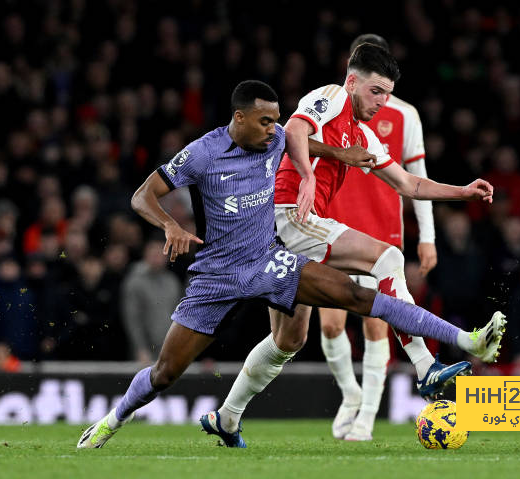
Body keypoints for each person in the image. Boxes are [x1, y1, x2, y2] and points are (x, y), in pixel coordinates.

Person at [77, 80, 505, 450]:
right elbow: (141, 196)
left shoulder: (275, 136)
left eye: (276, 120)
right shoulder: (202, 153)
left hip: (268, 260)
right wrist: (170, 225)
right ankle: (112, 420)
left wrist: (341, 155)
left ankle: (463, 341)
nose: (273, 129)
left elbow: (303, 141)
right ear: (239, 118)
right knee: (165, 373)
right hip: (217, 276)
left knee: (357, 294)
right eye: (264, 121)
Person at [209, 44, 504, 446]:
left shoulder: (362, 134)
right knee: (388, 258)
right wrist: (308, 177)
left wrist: (463, 193)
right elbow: (293, 130)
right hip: (285, 214)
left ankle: (227, 417)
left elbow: (407, 183)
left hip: (291, 229)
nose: (382, 102)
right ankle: (424, 364)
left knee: (288, 341)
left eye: (387, 94)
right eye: (376, 91)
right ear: (352, 82)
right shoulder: (329, 97)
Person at [317, 33, 461, 441]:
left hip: (381, 228)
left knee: (377, 326)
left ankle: (366, 418)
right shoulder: (333, 109)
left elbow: (417, 179)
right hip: (334, 224)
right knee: (330, 326)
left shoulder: (405, 116)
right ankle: (350, 394)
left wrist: (427, 237)